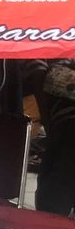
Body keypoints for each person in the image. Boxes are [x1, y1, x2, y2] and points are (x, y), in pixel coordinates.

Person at [25, 58, 75, 215]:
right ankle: (49, 228)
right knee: (55, 190)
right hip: (64, 124)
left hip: (62, 123)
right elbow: (38, 72)